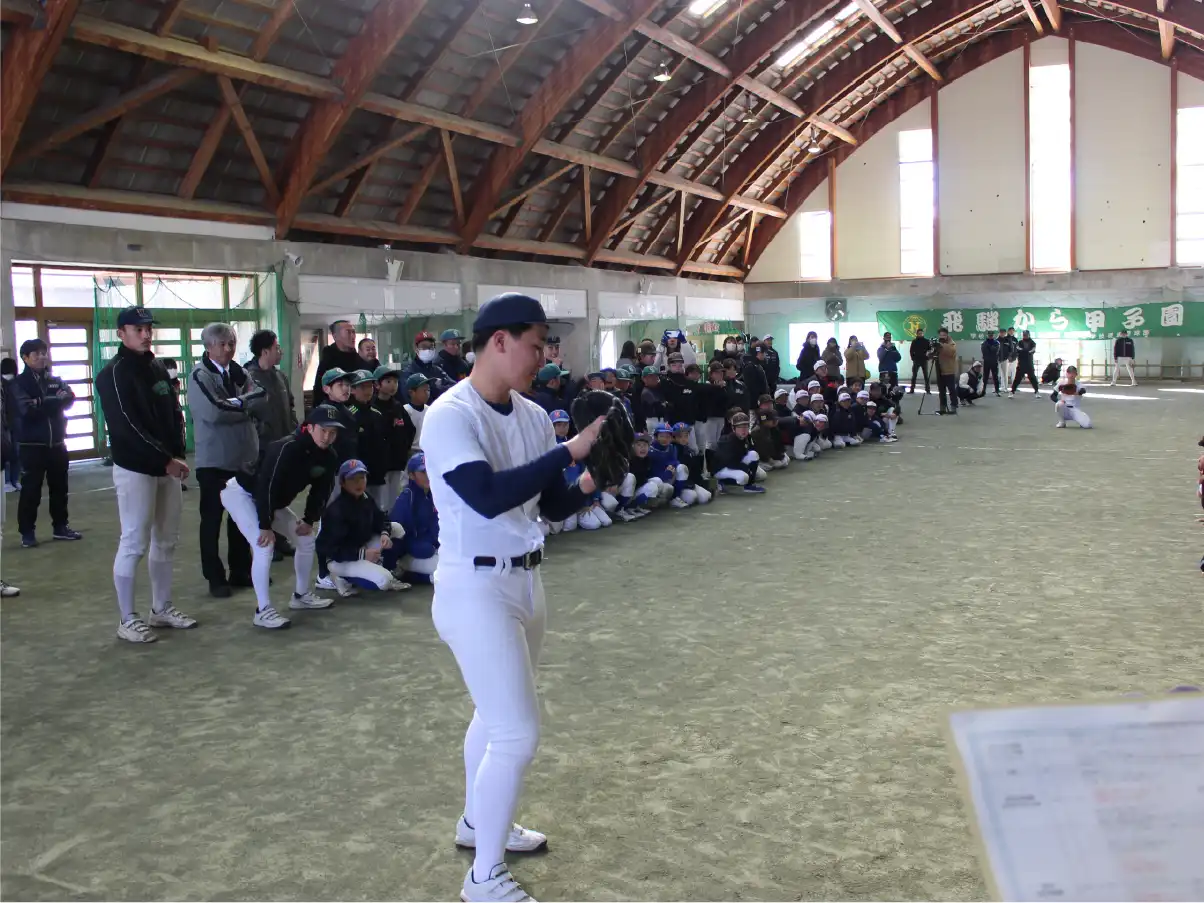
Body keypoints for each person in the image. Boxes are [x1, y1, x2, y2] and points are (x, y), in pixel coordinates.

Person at [420, 292, 605, 903]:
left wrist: (590, 480)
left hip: (525, 581)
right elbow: (487, 496)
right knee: (517, 733)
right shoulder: (450, 413)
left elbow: (547, 503)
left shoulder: (531, 415)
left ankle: (478, 824)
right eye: (536, 344)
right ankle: (483, 878)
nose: (544, 356)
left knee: (494, 714)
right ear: (498, 341)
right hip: (472, 587)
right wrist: (567, 451)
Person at [96, 306, 196, 643]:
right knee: (134, 541)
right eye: (137, 329)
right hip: (136, 468)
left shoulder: (156, 367)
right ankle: (127, 619)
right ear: (121, 333)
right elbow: (126, 427)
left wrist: (176, 454)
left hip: (167, 466)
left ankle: (161, 608)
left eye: (148, 328)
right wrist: (164, 459)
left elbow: (174, 413)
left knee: (166, 539)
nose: (145, 334)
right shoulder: (113, 374)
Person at [220, 404, 344, 628]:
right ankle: (263, 611)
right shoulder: (286, 447)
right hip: (242, 494)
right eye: (323, 430)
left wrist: (309, 519)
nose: (327, 437)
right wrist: (265, 525)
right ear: (310, 427)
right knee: (264, 545)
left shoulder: (329, 456)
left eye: (333, 432)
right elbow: (266, 486)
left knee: (306, 539)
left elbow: (321, 491)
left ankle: (301, 596)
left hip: (270, 502)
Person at [191, 322, 266, 596]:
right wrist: (245, 406)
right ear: (208, 347)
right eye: (222, 344)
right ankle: (215, 578)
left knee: (241, 519)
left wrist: (236, 403)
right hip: (214, 461)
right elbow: (214, 412)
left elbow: (262, 396)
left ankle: (240, 571)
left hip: (243, 460)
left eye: (231, 343)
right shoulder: (199, 376)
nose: (228, 348)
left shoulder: (240, 372)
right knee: (212, 521)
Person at [11, 338, 81, 547]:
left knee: (60, 489)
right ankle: (27, 533)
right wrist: (54, 400)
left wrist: (43, 401)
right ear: (25, 358)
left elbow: (70, 397)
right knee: (31, 491)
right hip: (32, 446)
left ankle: (60, 527)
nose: (42, 357)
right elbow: (27, 411)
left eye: (44, 353)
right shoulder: (19, 383)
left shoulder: (54, 379)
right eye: (36, 354)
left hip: (57, 444)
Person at [317, 459, 409, 593]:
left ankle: (387, 568)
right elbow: (330, 550)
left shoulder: (365, 498)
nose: (359, 483)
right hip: (338, 560)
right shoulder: (336, 510)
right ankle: (341, 577)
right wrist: (362, 554)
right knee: (384, 581)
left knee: (396, 528)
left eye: (362, 478)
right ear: (342, 482)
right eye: (352, 479)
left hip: (360, 546)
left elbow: (381, 518)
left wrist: (384, 533)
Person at [384, 451, 439, 582]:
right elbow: (396, 531)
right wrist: (391, 562)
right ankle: (405, 572)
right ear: (411, 475)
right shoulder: (407, 497)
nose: (428, 475)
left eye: (429, 470)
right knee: (442, 571)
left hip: (431, 548)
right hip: (414, 553)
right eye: (423, 472)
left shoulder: (433, 494)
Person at [245, 329, 299, 450]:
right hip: (262, 447)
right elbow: (245, 414)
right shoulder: (247, 379)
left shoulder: (281, 376)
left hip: (286, 443)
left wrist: (294, 428)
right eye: (277, 348)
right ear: (265, 352)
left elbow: (290, 406)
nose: (281, 352)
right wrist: (262, 431)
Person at [372, 365, 416, 504]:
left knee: (393, 499)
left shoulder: (397, 406)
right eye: (388, 381)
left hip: (397, 462)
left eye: (396, 382)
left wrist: (403, 449)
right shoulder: (372, 407)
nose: (393, 385)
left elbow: (410, 429)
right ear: (377, 385)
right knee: (380, 499)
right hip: (379, 464)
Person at [348, 369, 390, 509]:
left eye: (370, 386)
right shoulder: (349, 415)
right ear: (353, 390)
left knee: (377, 508)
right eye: (362, 387)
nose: (367, 391)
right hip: (357, 473)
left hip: (377, 473)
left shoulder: (377, 414)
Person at [312, 320, 370, 400]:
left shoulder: (359, 359)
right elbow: (319, 390)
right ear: (335, 336)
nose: (353, 336)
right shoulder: (328, 361)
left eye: (353, 332)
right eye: (348, 332)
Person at [711, 412, 765, 493]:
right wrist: (747, 469)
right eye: (740, 427)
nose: (743, 430)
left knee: (754, 455)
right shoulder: (728, 441)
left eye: (746, 426)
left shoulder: (746, 438)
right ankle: (721, 483)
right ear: (733, 428)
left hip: (735, 463)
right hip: (722, 469)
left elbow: (749, 453)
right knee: (744, 477)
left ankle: (749, 485)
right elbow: (729, 463)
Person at [401, 331, 454, 403]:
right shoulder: (408, 372)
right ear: (416, 348)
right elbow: (410, 397)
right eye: (424, 347)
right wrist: (436, 388)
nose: (428, 350)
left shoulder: (437, 370)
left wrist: (437, 389)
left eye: (431, 347)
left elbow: (454, 387)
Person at [2, 356, 20, 492]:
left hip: (11, 424)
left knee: (12, 453)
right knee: (12, 453)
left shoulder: (16, 383)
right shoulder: (16, 383)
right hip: (9, 424)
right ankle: (10, 480)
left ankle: (11, 481)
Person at [933, 327, 959, 414]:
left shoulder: (951, 343)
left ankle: (953, 407)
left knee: (952, 390)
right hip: (939, 370)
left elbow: (951, 351)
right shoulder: (938, 343)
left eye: (944, 335)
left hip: (949, 370)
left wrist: (941, 345)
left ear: (947, 335)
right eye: (940, 335)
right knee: (941, 391)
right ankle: (942, 408)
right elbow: (932, 354)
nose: (942, 337)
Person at [404, 374, 432, 452]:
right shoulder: (405, 411)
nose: (427, 393)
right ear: (411, 392)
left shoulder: (430, 410)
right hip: (411, 451)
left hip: (428, 451)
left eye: (428, 390)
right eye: (424, 390)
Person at [1009, 329, 1040, 398]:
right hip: (1021, 364)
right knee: (1017, 379)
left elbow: (1032, 351)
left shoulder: (1032, 343)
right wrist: (1026, 351)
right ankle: (1012, 392)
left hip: (1029, 363)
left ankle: (1036, 391)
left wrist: (1024, 351)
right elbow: (1018, 349)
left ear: (1029, 335)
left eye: (1026, 335)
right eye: (1024, 335)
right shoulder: (1020, 342)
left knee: (1033, 378)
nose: (1025, 336)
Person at [909, 328, 932, 393]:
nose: (920, 334)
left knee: (926, 376)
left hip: (924, 360)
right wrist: (913, 358)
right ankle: (912, 389)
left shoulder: (926, 341)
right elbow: (911, 350)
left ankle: (928, 390)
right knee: (914, 375)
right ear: (917, 334)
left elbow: (929, 350)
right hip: (916, 360)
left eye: (921, 333)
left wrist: (928, 357)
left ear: (923, 334)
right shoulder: (914, 341)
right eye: (919, 333)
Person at [980, 330, 1002, 396]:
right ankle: (983, 390)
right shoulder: (984, 343)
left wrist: (989, 347)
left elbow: (995, 350)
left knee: (995, 376)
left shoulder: (996, 343)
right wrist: (990, 348)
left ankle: (997, 390)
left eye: (991, 335)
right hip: (987, 361)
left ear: (993, 335)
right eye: (989, 335)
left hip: (994, 361)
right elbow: (984, 351)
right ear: (987, 335)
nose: (990, 336)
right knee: (985, 377)